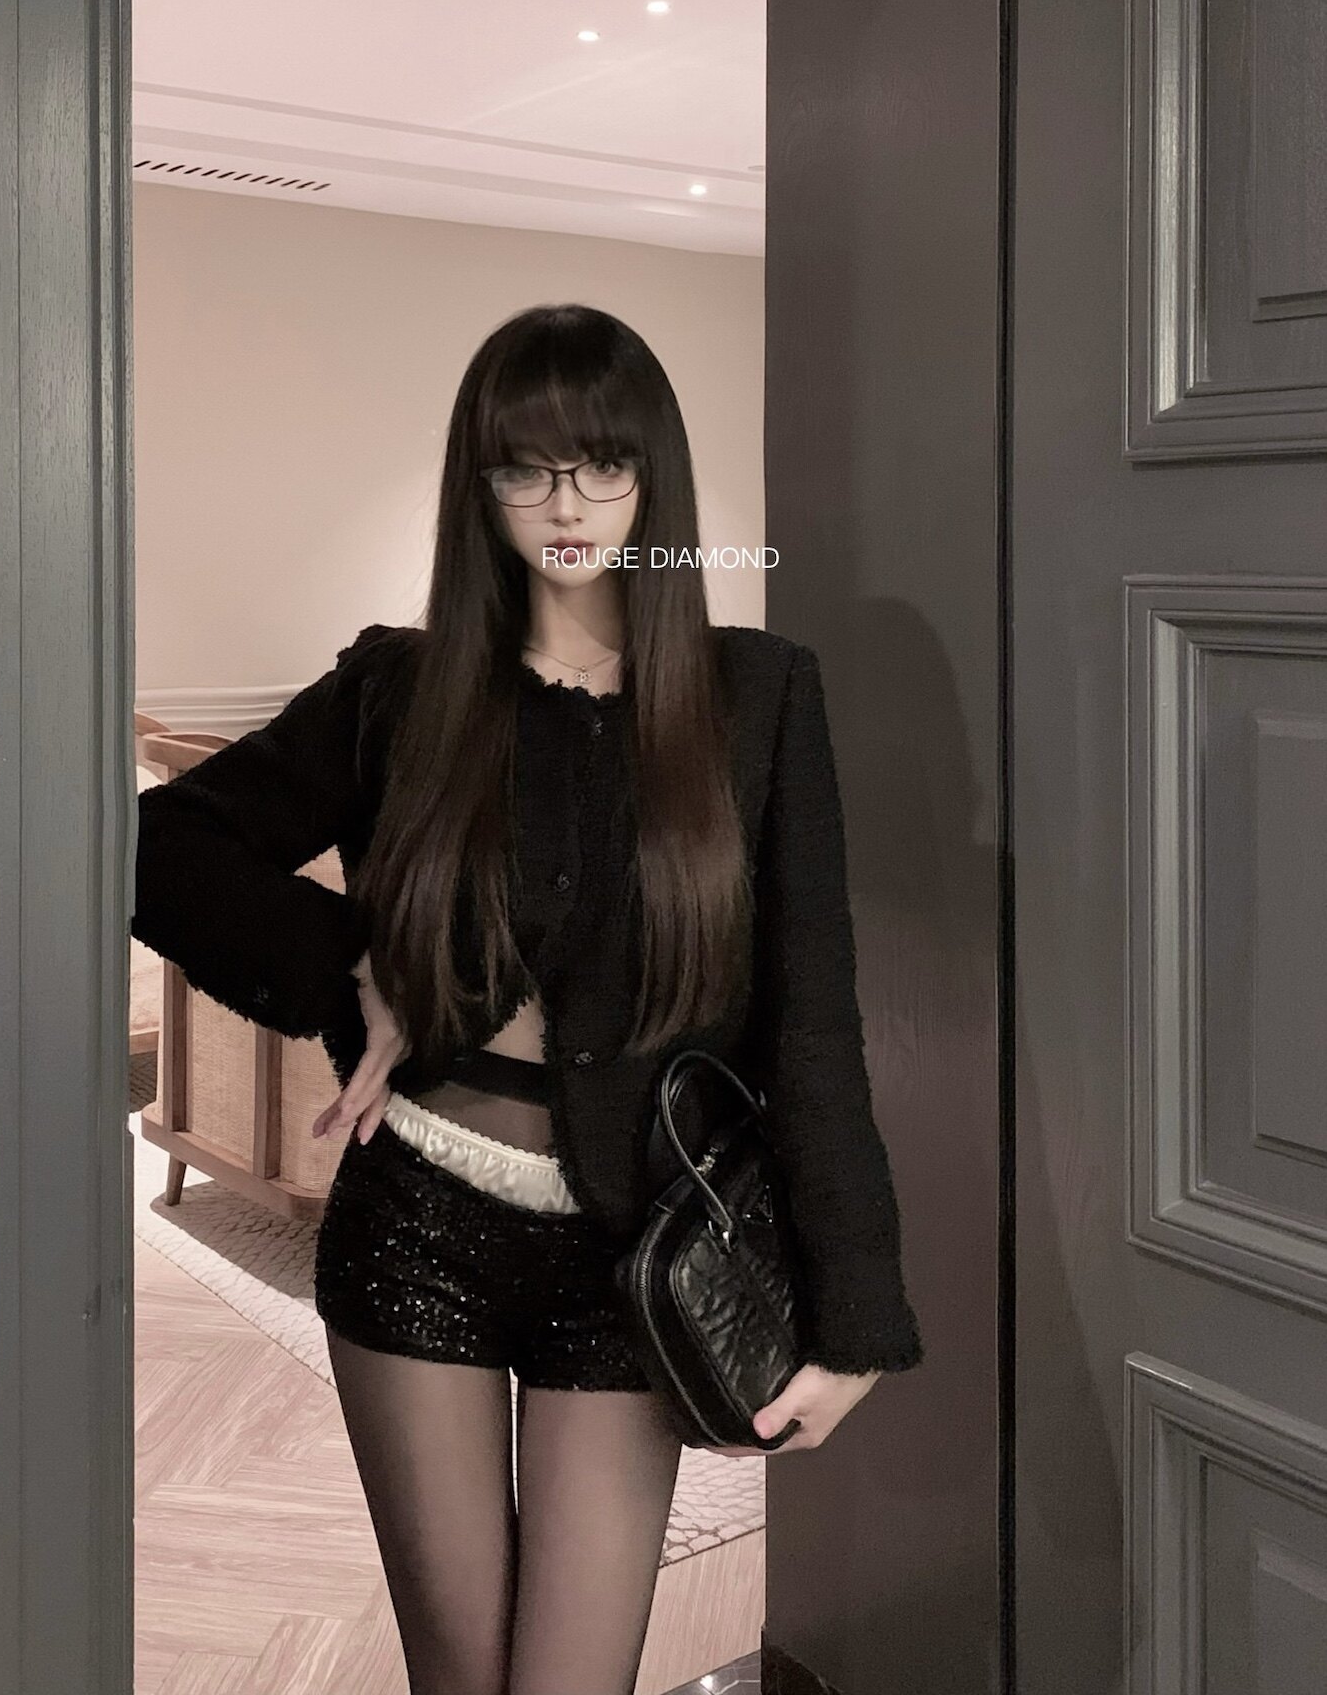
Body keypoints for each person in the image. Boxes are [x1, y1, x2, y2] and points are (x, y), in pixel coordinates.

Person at [130, 301, 924, 1695]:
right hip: (416, 1227)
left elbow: (813, 1018)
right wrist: (353, 964)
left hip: (634, 1248)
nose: (567, 504)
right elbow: (161, 845)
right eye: (526, 468)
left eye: (601, 464)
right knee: (460, 1674)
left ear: (653, 479)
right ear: (479, 484)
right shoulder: (400, 687)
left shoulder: (756, 696)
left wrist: (856, 1319)